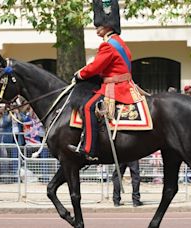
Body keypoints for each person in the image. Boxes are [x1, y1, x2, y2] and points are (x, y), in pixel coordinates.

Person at [67, 0, 143, 160]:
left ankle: (89, 149)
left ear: (108, 24)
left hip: (115, 87)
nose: (97, 27)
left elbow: (95, 67)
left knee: (88, 107)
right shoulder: (120, 43)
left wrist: (80, 74)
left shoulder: (108, 45)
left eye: (99, 24)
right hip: (125, 84)